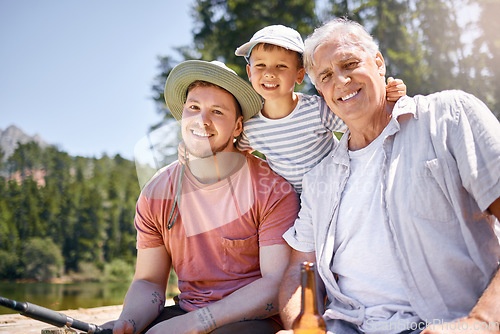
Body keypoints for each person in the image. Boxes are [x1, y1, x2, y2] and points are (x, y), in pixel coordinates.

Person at [278, 18, 500, 334]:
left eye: (349, 63)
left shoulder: (447, 117)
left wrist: (481, 323)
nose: (340, 81)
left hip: (444, 325)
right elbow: (298, 272)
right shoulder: (320, 180)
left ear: (379, 63)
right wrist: (301, 326)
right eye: (326, 76)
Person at [103, 60, 300, 334]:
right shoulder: (156, 193)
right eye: (194, 108)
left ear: (238, 127)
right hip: (187, 311)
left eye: (217, 111)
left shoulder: (272, 190)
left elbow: (275, 283)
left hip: (253, 320)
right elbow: (148, 282)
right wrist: (129, 322)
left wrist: (196, 324)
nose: (202, 120)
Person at [179, 25, 406, 194]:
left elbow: (361, 119)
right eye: (260, 66)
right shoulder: (251, 127)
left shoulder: (317, 110)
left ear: (299, 75)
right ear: (249, 73)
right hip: (291, 204)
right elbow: (233, 155)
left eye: (281, 66)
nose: (269, 73)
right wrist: (197, 152)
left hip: (338, 189)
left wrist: (389, 95)